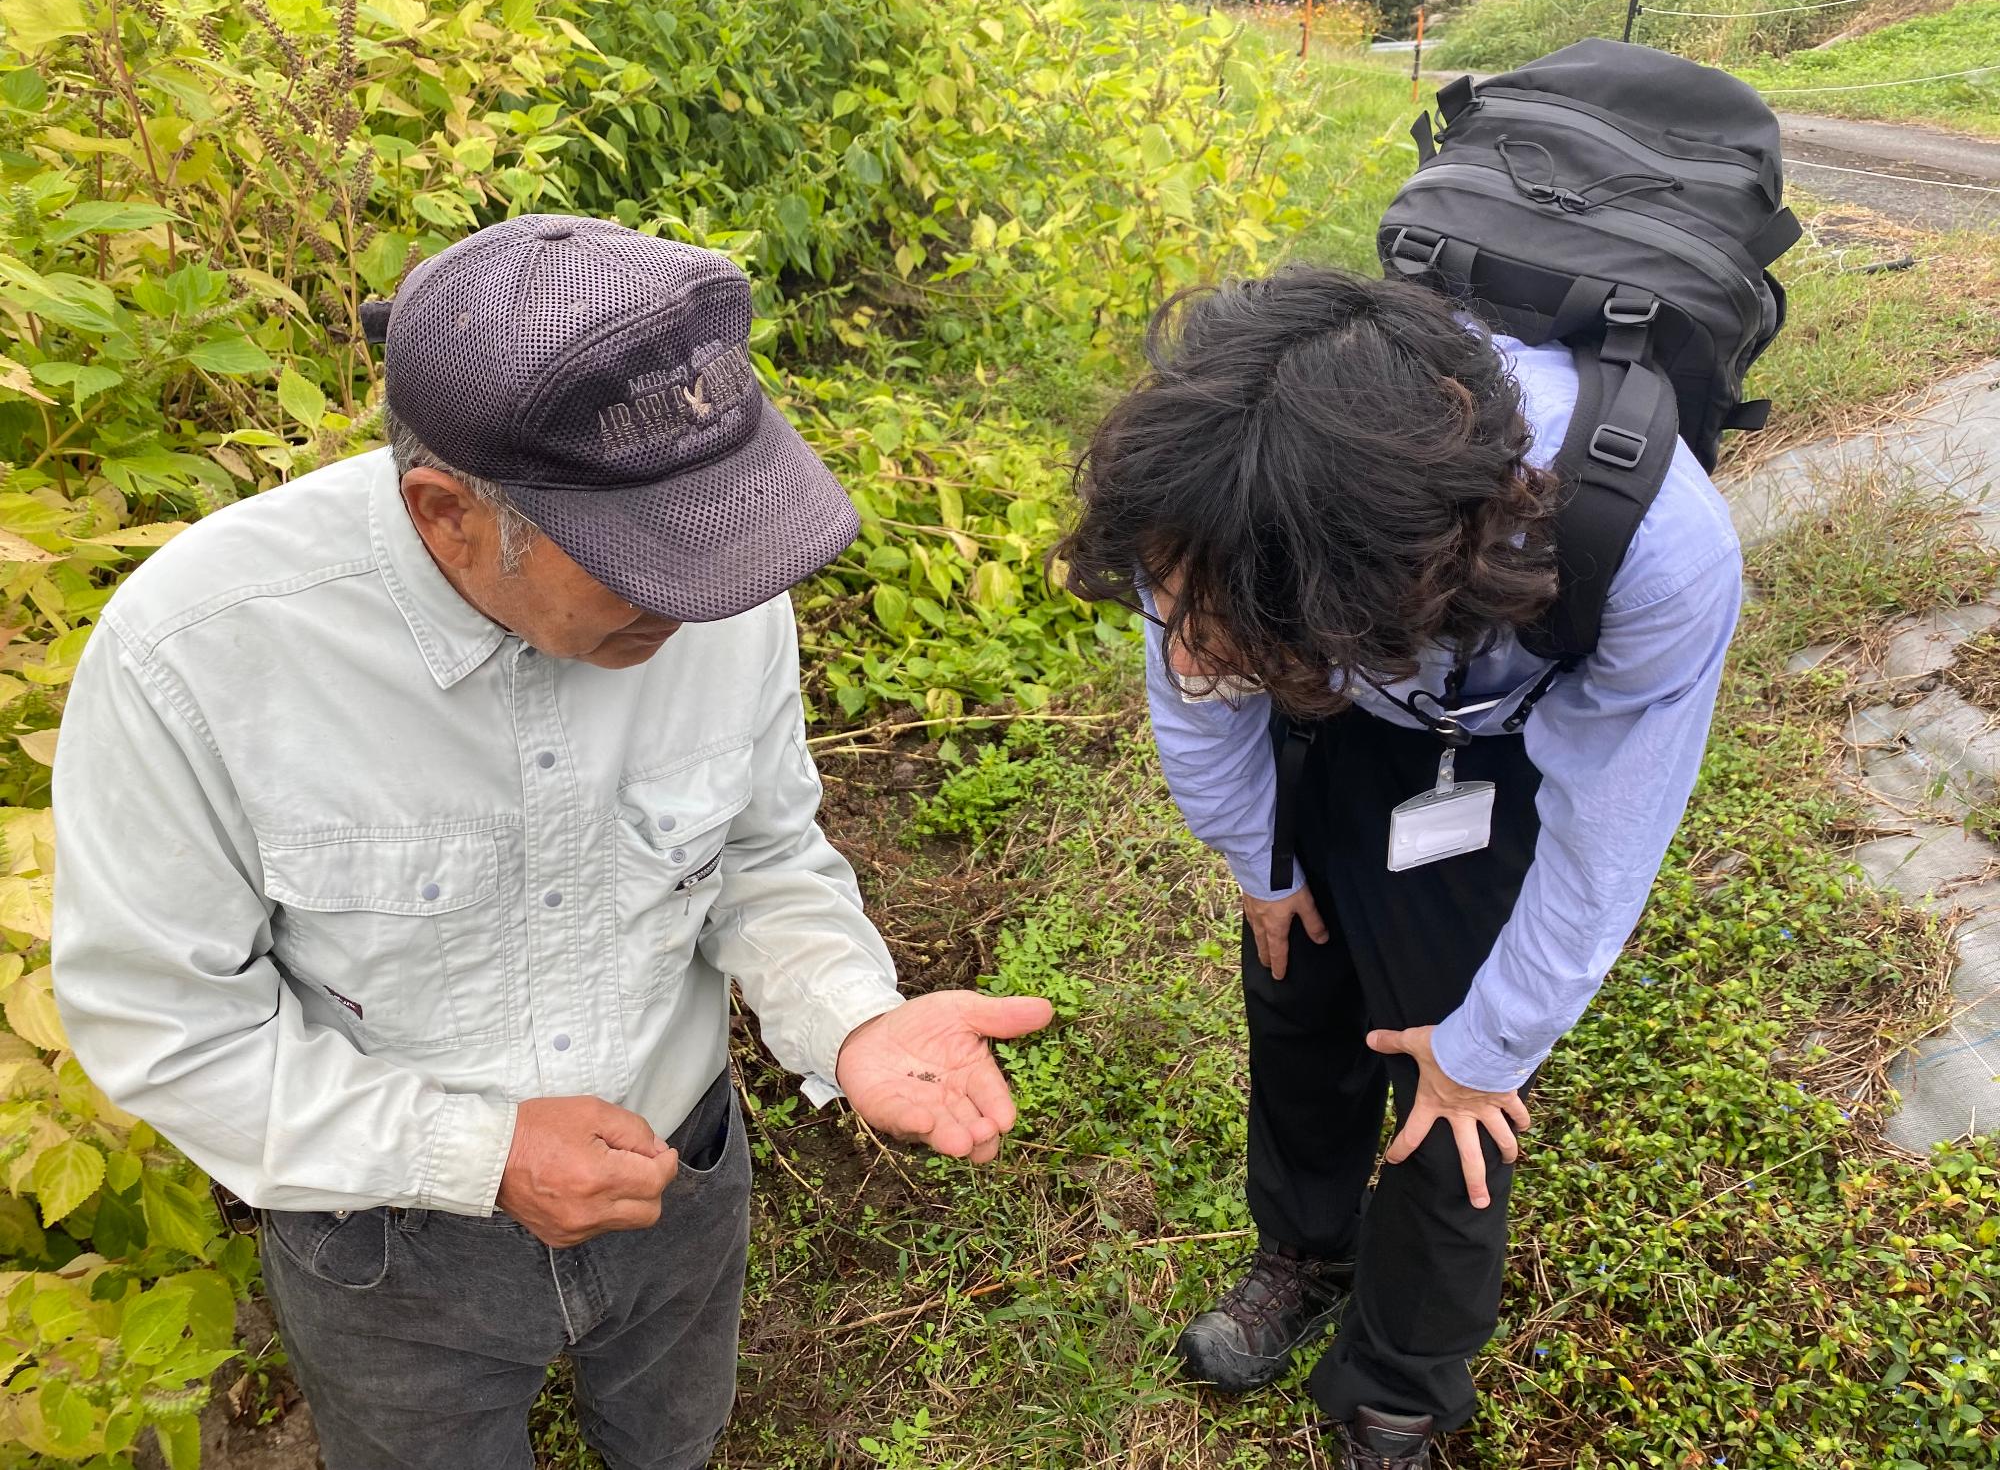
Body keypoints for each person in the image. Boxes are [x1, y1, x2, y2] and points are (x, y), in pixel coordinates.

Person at [52, 213, 1052, 1470]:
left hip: (683, 1182)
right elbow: (163, 1021)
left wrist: (849, 1014)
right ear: (444, 510)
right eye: (640, 564)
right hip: (386, 1244)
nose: (699, 604)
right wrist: (475, 1152)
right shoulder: (200, 653)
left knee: (673, 1444)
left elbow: (760, 857)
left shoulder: (713, 580)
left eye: (717, 547)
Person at [1056, 266, 1741, 1467]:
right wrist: (1258, 865)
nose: (1190, 644)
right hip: (1338, 669)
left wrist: (1490, 1048)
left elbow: (1603, 838)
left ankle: (1403, 1373)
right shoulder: (1227, 462)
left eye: (1237, 633)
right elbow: (1197, 677)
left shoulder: (1653, 551)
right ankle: (1303, 1251)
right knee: (1298, 978)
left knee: (1450, 1063)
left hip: (1495, 744)